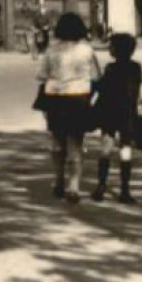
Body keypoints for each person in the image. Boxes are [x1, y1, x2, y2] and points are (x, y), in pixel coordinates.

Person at [36, 11, 100, 203]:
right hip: (78, 98)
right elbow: (96, 77)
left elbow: (42, 76)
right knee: (75, 144)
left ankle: (58, 181)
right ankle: (74, 186)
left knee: (57, 143)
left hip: (54, 98)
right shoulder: (87, 50)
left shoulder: (51, 50)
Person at [91, 33, 142, 204]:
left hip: (110, 112)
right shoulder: (136, 68)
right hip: (127, 112)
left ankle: (101, 185)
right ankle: (125, 189)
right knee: (125, 151)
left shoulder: (110, 69)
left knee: (106, 149)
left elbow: (103, 88)